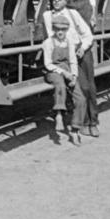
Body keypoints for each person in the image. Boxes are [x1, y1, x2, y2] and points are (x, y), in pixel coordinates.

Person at [41, 0, 98, 137]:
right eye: (54, 0)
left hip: (81, 51)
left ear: (66, 1)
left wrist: (83, 48)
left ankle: (93, 123)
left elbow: (88, 35)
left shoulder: (73, 14)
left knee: (88, 87)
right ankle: (80, 123)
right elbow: (50, 37)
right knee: (77, 87)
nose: (56, 2)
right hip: (65, 54)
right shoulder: (47, 16)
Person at [41, 12, 85, 141]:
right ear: (53, 29)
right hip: (53, 71)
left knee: (80, 98)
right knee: (60, 85)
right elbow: (48, 64)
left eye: (63, 29)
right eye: (57, 29)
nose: (60, 32)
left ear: (67, 30)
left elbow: (72, 60)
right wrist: (63, 73)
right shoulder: (48, 42)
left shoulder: (69, 42)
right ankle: (59, 114)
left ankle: (75, 129)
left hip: (67, 69)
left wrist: (74, 76)